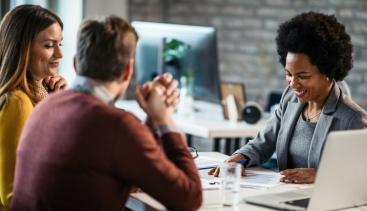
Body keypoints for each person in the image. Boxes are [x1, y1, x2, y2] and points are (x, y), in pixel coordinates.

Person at [11, 15, 202, 211]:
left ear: (76, 64)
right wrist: (164, 118)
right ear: (128, 70)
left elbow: (125, 164)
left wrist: (152, 120)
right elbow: (189, 198)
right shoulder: (117, 125)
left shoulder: (44, 106)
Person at [209, 11, 367, 184]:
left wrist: (320, 175)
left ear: (328, 71)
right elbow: (264, 142)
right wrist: (238, 160)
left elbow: (360, 177)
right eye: (288, 74)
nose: (293, 83)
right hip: (284, 195)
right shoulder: (290, 98)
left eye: (303, 76)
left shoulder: (353, 119)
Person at [0, 5, 67, 210]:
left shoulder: (37, 98)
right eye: (49, 45)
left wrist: (58, 104)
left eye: (60, 44)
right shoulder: (17, 103)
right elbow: (12, 195)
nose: (59, 54)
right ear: (23, 48)